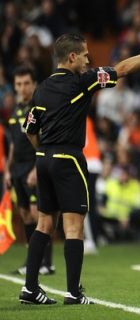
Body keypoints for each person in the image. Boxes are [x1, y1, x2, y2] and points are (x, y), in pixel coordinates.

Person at [19, 32, 140, 305]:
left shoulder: (41, 88)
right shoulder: (82, 81)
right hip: (68, 158)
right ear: (72, 57)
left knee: (44, 224)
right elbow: (122, 69)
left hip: (43, 158)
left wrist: (43, 150)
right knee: (74, 227)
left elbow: (30, 129)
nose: (90, 59)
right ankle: (73, 293)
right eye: (86, 55)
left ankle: (30, 288)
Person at [4, 66, 55, 276]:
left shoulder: (38, 108)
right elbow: (14, 145)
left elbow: (43, 142)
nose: (22, 88)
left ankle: (47, 262)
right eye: (18, 84)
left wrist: (37, 168)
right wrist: (8, 169)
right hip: (17, 169)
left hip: (35, 165)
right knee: (25, 215)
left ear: (34, 84)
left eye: (26, 83)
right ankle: (31, 260)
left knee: (38, 214)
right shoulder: (15, 110)